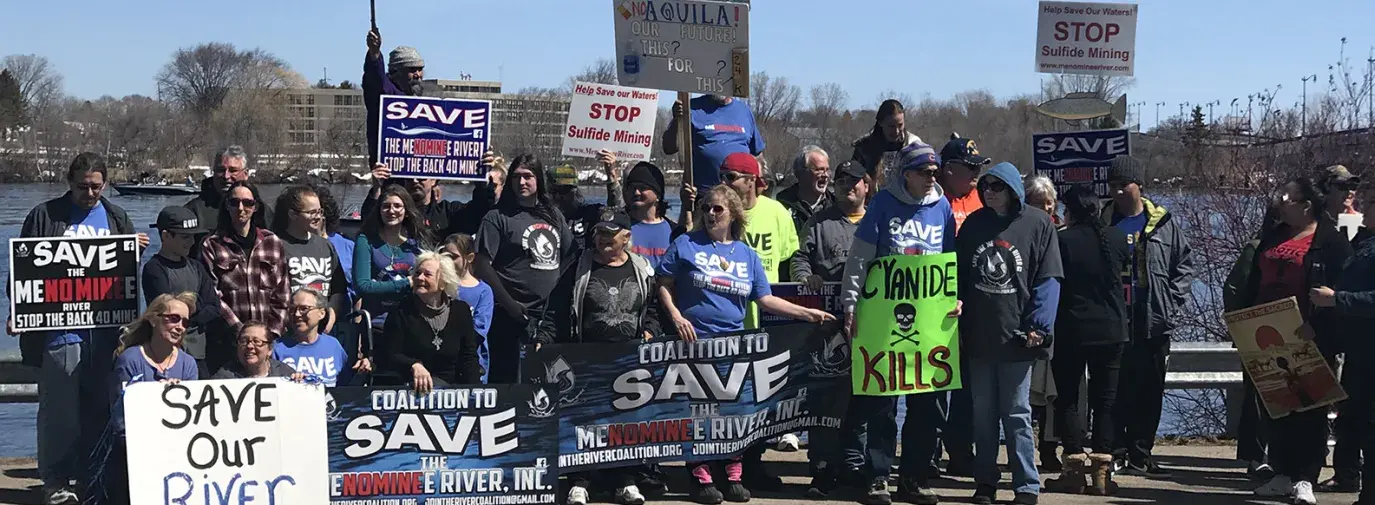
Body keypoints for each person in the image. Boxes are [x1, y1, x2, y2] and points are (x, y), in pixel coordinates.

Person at [657, 185, 835, 504]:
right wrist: (676, 316)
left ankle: (733, 475)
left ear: (733, 215)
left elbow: (765, 299)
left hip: (735, 346)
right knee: (700, 413)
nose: (710, 214)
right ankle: (700, 478)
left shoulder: (746, 255)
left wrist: (806, 313)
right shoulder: (685, 244)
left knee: (735, 414)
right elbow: (663, 284)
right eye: (706, 208)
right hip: (695, 343)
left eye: (717, 209)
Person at [5, 153, 146, 505]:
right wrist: (18, 310)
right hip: (59, 334)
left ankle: (91, 479)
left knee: (100, 410)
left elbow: (126, 276)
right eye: (83, 186)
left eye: (97, 186)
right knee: (59, 414)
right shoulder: (45, 215)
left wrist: (134, 250)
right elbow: (20, 272)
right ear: (70, 182)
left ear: (105, 184)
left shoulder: (116, 216)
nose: (90, 193)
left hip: (105, 335)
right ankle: (54, 481)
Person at [839, 142, 956, 505]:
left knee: (927, 405)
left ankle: (914, 478)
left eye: (935, 173)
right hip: (883, 318)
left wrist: (954, 299)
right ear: (907, 174)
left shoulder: (942, 207)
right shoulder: (883, 204)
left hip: (930, 321)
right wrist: (850, 305)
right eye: (926, 173)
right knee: (883, 403)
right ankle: (878, 476)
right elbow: (860, 259)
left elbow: (949, 259)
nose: (932, 178)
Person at [537, 211, 660, 505]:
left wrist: (651, 332)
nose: (603, 238)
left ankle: (626, 480)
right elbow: (556, 309)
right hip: (585, 358)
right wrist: (543, 339)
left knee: (626, 423)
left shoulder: (642, 269)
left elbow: (653, 311)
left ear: (626, 237)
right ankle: (579, 482)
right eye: (599, 232)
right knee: (583, 421)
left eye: (610, 232)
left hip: (628, 360)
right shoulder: (578, 267)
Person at [1240, 177, 1351, 505]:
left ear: (1306, 206)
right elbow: (1253, 279)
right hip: (1269, 334)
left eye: (1286, 198)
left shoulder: (1330, 242)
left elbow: (1339, 293)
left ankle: (1306, 478)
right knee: (1279, 409)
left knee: (1310, 410)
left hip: (1309, 337)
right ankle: (1283, 474)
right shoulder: (1274, 236)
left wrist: (1320, 326)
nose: (1279, 202)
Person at [1102, 155, 1193, 478]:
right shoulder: (1104, 222)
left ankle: (1142, 452)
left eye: (1123, 185)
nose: (1117, 192)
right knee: (1115, 389)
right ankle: (1115, 451)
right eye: (1112, 186)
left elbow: (1184, 265)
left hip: (1153, 320)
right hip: (1114, 319)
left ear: (1138, 185)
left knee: (1148, 390)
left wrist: (1172, 301)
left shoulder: (1163, 223)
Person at [790, 160, 870, 498]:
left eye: (854, 181)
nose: (847, 187)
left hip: (870, 326)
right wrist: (806, 278)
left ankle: (855, 465)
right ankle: (822, 468)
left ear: (867, 185)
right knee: (826, 398)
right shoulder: (819, 222)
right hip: (828, 328)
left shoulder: (878, 221)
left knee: (865, 398)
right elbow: (798, 258)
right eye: (841, 181)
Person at [1043, 185, 1129, 496]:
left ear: (1072, 211)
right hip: (1112, 329)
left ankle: (1074, 468)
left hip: (1072, 329)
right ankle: (1102, 473)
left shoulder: (1062, 240)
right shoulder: (1116, 238)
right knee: (1105, 401)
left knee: (1068, 399)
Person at [473, 154, 576, 384]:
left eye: (528, 176)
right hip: (509, 314)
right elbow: (481, 264)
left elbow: (571, 255)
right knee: (509, 382)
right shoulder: (497, 217)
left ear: (538, 180)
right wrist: (509, 304)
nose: (522, 182)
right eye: (517, 177)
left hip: (547, 317)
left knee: (547, 381)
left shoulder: (553, 214)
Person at [1310, 184, 1375, 505]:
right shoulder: (1363, 240)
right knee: (1351, 416)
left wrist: (1338, 299)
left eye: (1373, 203)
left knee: (1370, 422)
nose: (1367, 207)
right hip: (1357, 347)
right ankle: (1348, 475)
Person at [105, 293, 201, 505]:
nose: (180, 327)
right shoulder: (129, 360)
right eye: (173, 318)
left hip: (177, 452)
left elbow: (194, 419)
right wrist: (153, 398)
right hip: (133, 452)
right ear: (153, 319)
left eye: (185, 322)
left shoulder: (188, 364)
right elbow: (120, 419)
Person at [934, 135, 991, 477]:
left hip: (969, 302)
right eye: (969, 168)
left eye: (977, 168)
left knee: (967, 386)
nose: (974, 175)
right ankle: (929, 451)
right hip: (933, 304)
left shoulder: (980, 201)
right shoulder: (931, 198)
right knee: (935, 381)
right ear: (948, 169)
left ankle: (960, 449)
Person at [201, 181, 291, 367]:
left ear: (256, 206)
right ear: (226, 206)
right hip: (227, 341)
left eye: (247, 203)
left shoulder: (272, 242)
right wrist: (240, 331)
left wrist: (270, 334)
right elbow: (213, 295)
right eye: (234, 203)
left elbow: (283, 294)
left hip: (265, 343)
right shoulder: (212, 245)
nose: (241, 208)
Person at [1224, 204, 1281, 482]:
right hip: (1256, 329)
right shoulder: (1256, 248)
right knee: (1257, 399)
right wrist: (1240, 326)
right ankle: (1255, 456)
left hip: (1287, 332)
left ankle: (1284, 457)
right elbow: (1234, 288)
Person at [377, 251, 484, 393]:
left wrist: (475, 396)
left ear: (442, 283)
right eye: (417, 273)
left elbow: (468, 358)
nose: (420, 278)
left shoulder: (461, 311)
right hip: (411, 389)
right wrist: (414, 365)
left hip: (452, 392)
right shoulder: (400, 311)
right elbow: (390, 355)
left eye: (427, 274)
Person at [142, 205, 220, 378]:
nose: (191, 242)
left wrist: (187, 314)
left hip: (199, 354)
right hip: (166, 354)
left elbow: (214, 307)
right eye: (185, 237)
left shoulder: (197, 267)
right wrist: (195, 309)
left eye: (192, 237)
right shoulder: (154, 268)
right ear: (165, 236)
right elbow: (165, 310)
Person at [353, 184, 432, 330]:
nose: (391, 211)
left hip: (413, 322)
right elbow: (362, 286)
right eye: (386, 206)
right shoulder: (366, 240)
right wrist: (406, 283)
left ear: (406, 211)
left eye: (397, 206)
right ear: (379, 210)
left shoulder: (418, 241)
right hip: (377, 324)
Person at [272, 185, 349, 319]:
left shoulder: (326, 245)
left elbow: (338, 289)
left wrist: (332, 314)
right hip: (290, 325)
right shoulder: (276, 245)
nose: (318, 217)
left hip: (320, 327)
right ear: (293, 214)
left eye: (320, 211)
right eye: (312, 212)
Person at [662, 94, 766, 191]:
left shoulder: (744, 110)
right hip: (705, 197)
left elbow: (757, 154)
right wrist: (677, 120)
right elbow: (669, 147)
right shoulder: (691, 107)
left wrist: (761, 183)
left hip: (740, 195)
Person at [364, 26, 428, 164]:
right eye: (411, 69)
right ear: (395, 71)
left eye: (420, 69)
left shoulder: (421, 100)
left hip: (415, 168)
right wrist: (374, 54)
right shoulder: (385, 92)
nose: (417, 74)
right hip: (388, 170)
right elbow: (376, 77)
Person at [185, 146, 273, 235]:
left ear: (246, 174)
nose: (226, 176)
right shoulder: (193, 211)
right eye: (221, 170)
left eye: (233, 170)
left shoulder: (261, 211)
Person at [442, 234, 494, 384]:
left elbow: (480, 329)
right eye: (444, 257)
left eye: (453, 257)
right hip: (443, 363)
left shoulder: (484, 291)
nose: (448, 262)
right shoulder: (440, 286)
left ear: (469, 258)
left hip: (470, 361)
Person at [275, 287, 352, 387]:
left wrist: (361, 372)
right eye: (293, 309)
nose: (297, 314)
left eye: (304, 309)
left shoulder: (333, 345)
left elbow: (346, 385)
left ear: (321, 313)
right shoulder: (277, 348)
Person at [550, 150, 625, 250]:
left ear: (575, 191)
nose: (559, 197)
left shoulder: (589, 214)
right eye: (554, 191)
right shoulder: (542, 216)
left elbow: (617, 213)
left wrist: (612, 178)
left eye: (565, 190)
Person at [622, 160, 683, 269]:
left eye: (642, 188)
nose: (636, 192)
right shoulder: (620, 227)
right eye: (632, 188)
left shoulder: (674, 232)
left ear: (658, 194)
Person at [849, 99, 924, 181]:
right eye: (891, 126)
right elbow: (853, 176)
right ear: (881, 123)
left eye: (900, 125)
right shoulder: (864, 148)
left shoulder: (913, 144)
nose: (896, 131)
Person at [313, 184, 357, 308]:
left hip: (344, 317)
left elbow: (357, 291)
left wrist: (357, 321)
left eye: (317, 211)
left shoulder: (349, 246)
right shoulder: (294, 246)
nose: (314, 216)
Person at [211, 323, 305, 381]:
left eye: (257, 342)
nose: (250, 346)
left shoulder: (283, 373)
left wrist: (299, 382)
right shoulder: (223, 377)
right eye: (244, 341)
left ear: (269, 349)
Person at [776, 145, 834, 234]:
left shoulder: (836, 205)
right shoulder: (782, 204)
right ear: (800, 173)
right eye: (819, 170)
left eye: (827, 170)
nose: (825, 175)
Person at [939, 135, 992, 231]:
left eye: (979, 167)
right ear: (949, 169)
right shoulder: (931, 201)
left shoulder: (985, 198)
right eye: (972, 167)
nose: (977, 172)